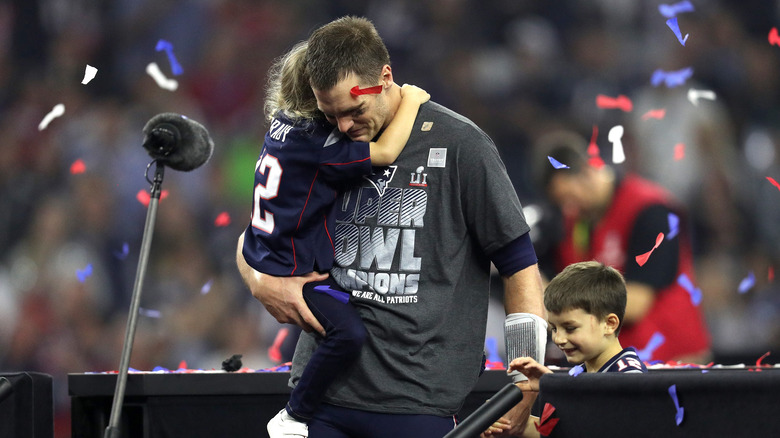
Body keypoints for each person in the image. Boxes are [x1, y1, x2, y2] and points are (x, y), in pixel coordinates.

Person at [236, 16, 546, 438]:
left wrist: (525, 373)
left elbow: (519, 263)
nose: (344, 126)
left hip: (417, 401)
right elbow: (257, 233)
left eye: (354, 110)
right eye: (333, 114)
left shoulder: (462, 145)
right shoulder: (318, 137)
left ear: (384, 78)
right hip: (320, 401)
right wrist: (260, 280)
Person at [238, 40, 430, 437]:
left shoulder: (282, 126)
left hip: (271, 253)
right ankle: (294, 414)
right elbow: (387, 151)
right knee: (348, 334)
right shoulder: (320, 145)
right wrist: (411, 100)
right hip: (291, 269)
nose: (343, 122)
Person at [535, 131, 710, 363]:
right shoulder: (577, 222)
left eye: (570, 197)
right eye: (561, 202)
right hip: (619, 364)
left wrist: (554, 304)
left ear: (587, 171)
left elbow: (635, 303)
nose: (568, 209)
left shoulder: (650, 211)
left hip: (672, 361)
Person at [484, 261, 647, 438]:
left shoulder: (629, 375)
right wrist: (506, 423)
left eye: (570, 328)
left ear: (609, 324)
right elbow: (559, 430)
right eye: (554, 328)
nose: (558, 339)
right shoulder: (582, 374)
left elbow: (598, 428)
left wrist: (557, 386)